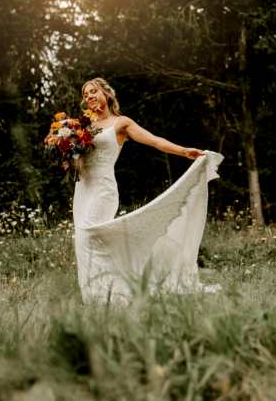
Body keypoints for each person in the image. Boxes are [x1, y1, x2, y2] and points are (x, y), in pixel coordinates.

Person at [67, 77, 222, 304]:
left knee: (93, 234)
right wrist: (68, 159)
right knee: (84, 240)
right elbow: (79, 166)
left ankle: (120, 291)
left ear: (106, 94)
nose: (88, 96)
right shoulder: (83, 127)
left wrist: (184, 151)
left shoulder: (121, 123)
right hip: (83, 190)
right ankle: (98, 295)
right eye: (85, 94)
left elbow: (155, 141)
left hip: (103, 189)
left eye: (93, 91)